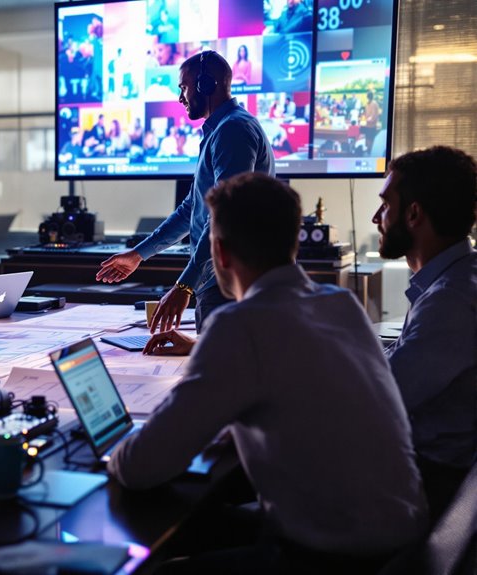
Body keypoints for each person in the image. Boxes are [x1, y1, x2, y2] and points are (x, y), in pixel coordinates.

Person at [111, 173, 427, 573]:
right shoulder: (340, 304)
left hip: (336, 558)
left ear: (219, 252)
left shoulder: (239, 325)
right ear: (294, 242)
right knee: (200, 520)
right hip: (401, 539)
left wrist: (110, 453)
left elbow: (139, 467)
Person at [97, 51, 274, 332]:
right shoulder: (220, 131)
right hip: (219, 279)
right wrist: (138, 254)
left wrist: (184, 285)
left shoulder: (233, 130)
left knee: (223, 360)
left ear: (206, 85)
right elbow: (191, 208)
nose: (180, 97)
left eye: (184, 87)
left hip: (231, 283)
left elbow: (224, 215)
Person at [373, 145, 476, 520]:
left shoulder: (449, 301)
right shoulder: (456, 279)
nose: (376, 218)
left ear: (413, 214)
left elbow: (380, 400)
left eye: (385, 205)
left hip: (430, 483)